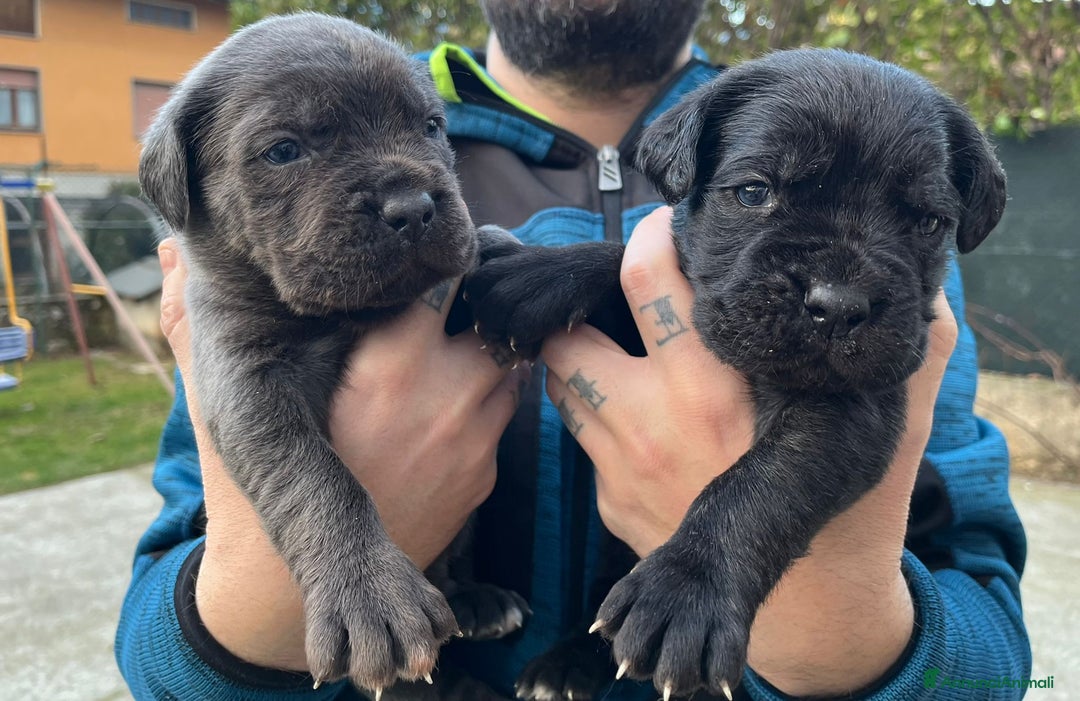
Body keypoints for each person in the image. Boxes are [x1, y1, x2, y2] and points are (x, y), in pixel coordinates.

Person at [115, 1, 1030, 699]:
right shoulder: (265, 166)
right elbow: (154, 650)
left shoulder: (874, 151)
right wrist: (286, 586)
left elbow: (992, 662)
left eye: (426, 131)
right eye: (755, 193)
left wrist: (834, 619)